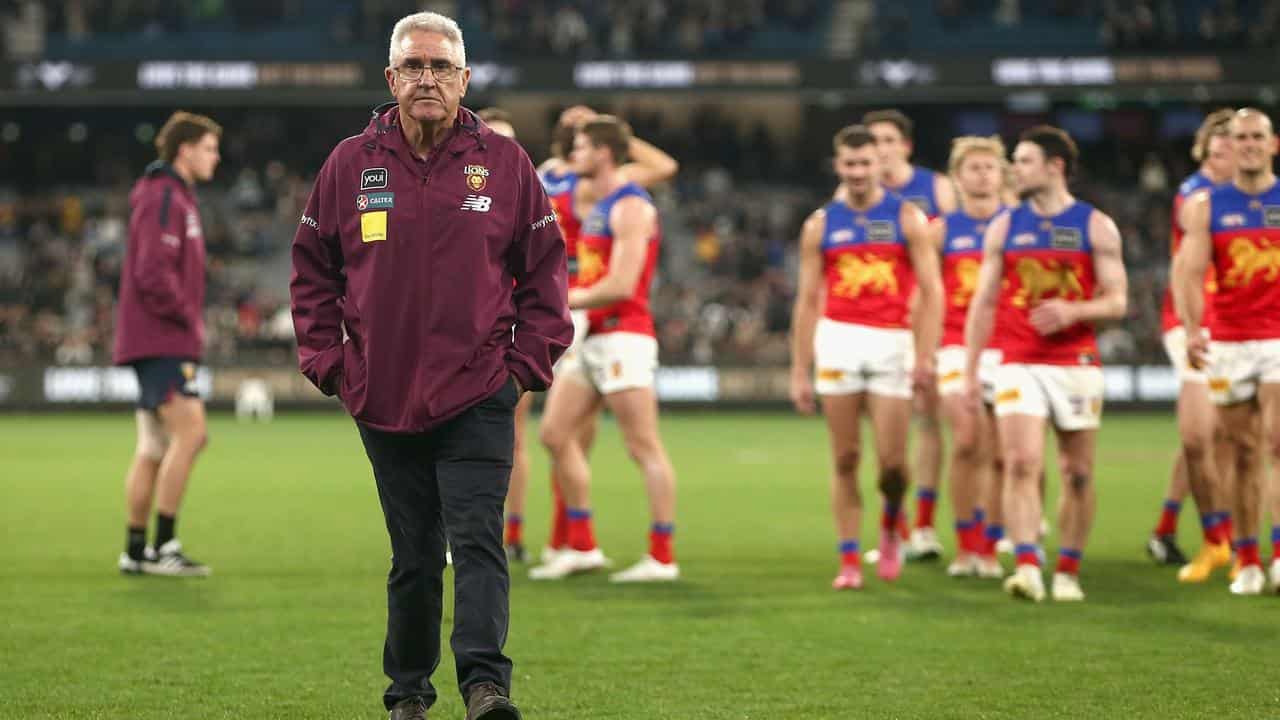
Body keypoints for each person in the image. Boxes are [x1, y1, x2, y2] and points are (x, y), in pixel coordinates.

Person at [289, 12, 572, 720]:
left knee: (479, 541)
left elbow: (545, 273)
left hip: (479, 392)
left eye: (441, 68)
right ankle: (408, 693)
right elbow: (310, 270)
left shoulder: (505, 164)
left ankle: (484, 687)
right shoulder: (349, 164)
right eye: (413, 66)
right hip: (381, 396)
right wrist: (330, 362)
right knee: (414, 557)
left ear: (464, 79)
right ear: (390, 78)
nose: (426, 79)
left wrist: (522, 368)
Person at [965, 125, 1128, 603]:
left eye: (1024, 160)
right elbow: (985, 302)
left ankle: (1068, 571)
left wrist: (1075, 311)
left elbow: (1118, 301)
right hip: (1017, 360)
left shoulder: (1095, 225)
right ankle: (1028, 566)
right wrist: (974, 369)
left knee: (1077, 472)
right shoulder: (1005, 226)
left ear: (1055, 167)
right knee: (1020, 462)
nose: (1014, 169)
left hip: (1075, 361)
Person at [514, 106, 677, 566]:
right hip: (587, 324)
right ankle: (579, 544)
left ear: (604, 152)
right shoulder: (584, 195)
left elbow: (623, 284)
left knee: (640, 444)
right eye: (572, 136)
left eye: (585, 140)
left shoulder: (627, 203)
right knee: (554, 434)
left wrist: (551, 302)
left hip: (619, 327)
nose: (575, 144)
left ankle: (661, 555)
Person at [789, 124, 942, 590]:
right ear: (838, 166)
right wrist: (799, 368)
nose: (857, 172)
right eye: (849, 164)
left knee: (893, 464)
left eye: (865, 163)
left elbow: (933, 292)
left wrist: (926, 355)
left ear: (881, 165)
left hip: (892, 341)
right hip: (837, 341)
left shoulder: (908, 218)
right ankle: (850, 559)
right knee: (846, 457)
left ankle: (893, 524)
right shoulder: (820, 224)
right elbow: (808, 299)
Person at [1175, 108, 1280, 596]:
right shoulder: (1205, 205)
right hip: (1231, 340)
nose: (1251, 144)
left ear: (1273, 144)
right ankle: (1248, 558)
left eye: (1258, 136)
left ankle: (1278, 555)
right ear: (1229, 147)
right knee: (1242, 452)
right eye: (1241, 137)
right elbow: (1189, 272)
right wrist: (1194, 329)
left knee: (1277, 444)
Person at [113, 110, 221, 578]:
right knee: (192, 434)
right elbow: (153, 274)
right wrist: (187, 319)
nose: (215, 157)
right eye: (209, 148)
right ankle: (164, 546)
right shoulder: (165, 198)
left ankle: (136, 550)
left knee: (154, 446)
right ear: (185, 149)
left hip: (155, 337)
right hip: (162, 339)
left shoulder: (172, 197)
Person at [863, 109, 959, 560]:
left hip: (932, 317)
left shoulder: (936, 188)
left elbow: (964, 244)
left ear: (905, 146)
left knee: (929, 417)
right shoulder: (856, 198)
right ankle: (896, 528)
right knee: (886, 432)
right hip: (880, 322)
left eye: (887, 140)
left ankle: (923, 526)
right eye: (872, 141)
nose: (879, 149)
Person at [1145, 109, 1237, 576]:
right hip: (1195, 324)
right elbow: (1187, 273)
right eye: (1218, 151)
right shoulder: (1197, 198)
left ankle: (1170, 528)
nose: (1225, 159)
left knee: (1218, 436)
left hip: (1241, 326)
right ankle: (1215, 536)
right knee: (1201, 435)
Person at [932, 136, 1009, 580]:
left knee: (1001, 454)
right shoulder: (942, 229)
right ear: (958, 178)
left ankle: (989, 545)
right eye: (972, 168)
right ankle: (965, 544)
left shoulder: (1017, 225)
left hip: (1008, 347)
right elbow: (925, 292)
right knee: (965, 442)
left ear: (1002, 175)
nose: (981, 175)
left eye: (989, 167)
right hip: (956, 346)